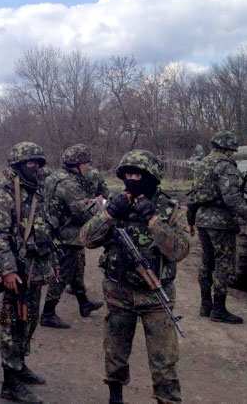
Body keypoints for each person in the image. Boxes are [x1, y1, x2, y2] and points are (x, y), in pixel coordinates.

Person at [81, 149, 189, 404]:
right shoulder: (116, 203)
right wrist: (109, 214)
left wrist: (153, 220)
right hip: (119, 292)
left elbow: (180, 250)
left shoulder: (169, 209)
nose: (132, 179)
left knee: (164, 360)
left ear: (151, 177)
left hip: (156, 296)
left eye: (138, 175)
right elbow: (86, 238)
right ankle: (115, 396)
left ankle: (167, 399)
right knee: (115, 352)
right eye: (127, 174)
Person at [0, 142, 59, 404]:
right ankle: (10, 381)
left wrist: (52, 261)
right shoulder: (4, 193)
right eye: (30, 163)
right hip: (17, 272)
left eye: (38, 163)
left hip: (35, 270)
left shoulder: (36, 190)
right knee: (13, 325)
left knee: (29, 321)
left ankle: (20, 365)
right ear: (17, 166)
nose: (36, 167)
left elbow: (46, 228)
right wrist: (7, 270)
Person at [40, 144, 105, 329]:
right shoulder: (69, 184)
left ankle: (84, 304)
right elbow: (83, 213)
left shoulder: (56, 176)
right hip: (65, 235)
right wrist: (99, 204)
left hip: (60, 231)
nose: (88, 167)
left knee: (77, 269)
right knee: (63, 273)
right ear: (77, 164)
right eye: (86, 164)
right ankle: (48, 313)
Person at [187, 130, 247, 324]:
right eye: (232, 150)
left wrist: (191, 218)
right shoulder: (225, 165)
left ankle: (206, 305)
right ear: (228, 147)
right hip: (220, 222)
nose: (233, 153)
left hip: (202, 218)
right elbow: (232, 198)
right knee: (223, 263)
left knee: (207, 262)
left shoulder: (203, 163)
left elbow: (194, 193)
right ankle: (219, 309)